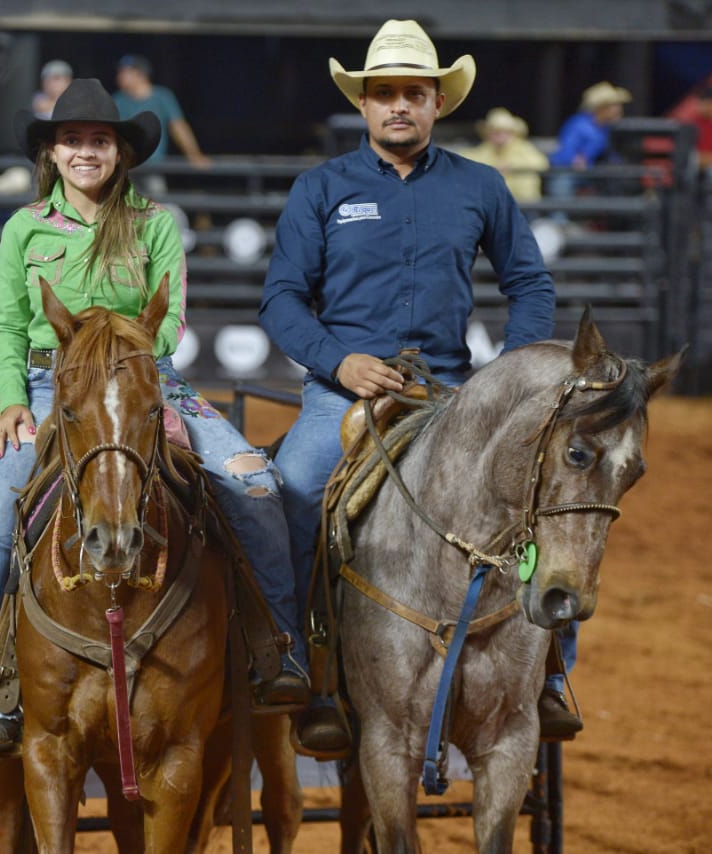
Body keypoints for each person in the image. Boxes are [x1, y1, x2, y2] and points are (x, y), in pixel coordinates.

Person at [0, 78, 308, 759]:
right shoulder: (24, 228)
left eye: (99, 140)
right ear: (52, 154)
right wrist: (10, 404)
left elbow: (169, 321)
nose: (85, 151)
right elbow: (5, 326)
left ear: (119, 152)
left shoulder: (154, 226)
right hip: (47, 382)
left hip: (150, 381)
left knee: (258, 486)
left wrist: (124, 355)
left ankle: (279, 651)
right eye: (72, 141)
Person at [258, 19, 563, 753]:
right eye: (386, 93)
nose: (400, 106)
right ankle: (295, 663)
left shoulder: (479, 186)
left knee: (541, 500)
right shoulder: (322, 187)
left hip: (451, 397)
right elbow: (281, 300)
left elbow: (530, 285)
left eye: (415, 94)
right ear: (364, 105)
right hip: (344, 398)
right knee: (293, 494)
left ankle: (550, 674)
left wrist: (505, 380)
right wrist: (340, 364)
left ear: (436, 104)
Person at [113, 53, 211, 190]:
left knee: (157, 203)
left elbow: (178, 127)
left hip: (154, 166)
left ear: (140, 74)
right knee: (123, 205)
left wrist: (194, 155)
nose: (119, 76)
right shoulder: (117, 100)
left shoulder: (162, 97)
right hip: (126, 167)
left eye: (125, 72)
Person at [547, 81, 631, 198]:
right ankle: (559, 216)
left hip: (594, 173)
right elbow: (566, 151)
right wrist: (575, 160)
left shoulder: (606, 129)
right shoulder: (579, 124)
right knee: (563, 181)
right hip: (570, 171)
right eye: (613, 105)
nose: (619, 109)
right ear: (601, 108)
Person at [458, 107, 549, 202]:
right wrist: (493, 167)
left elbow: (542, 163)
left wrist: (512, 166)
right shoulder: (484, 149)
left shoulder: (523, 147)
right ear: (488, 134)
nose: (500, 135)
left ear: (512, 133)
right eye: (495, 132)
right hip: (493, 203)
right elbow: (465, 161)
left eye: (505, 131)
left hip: (524, 203)